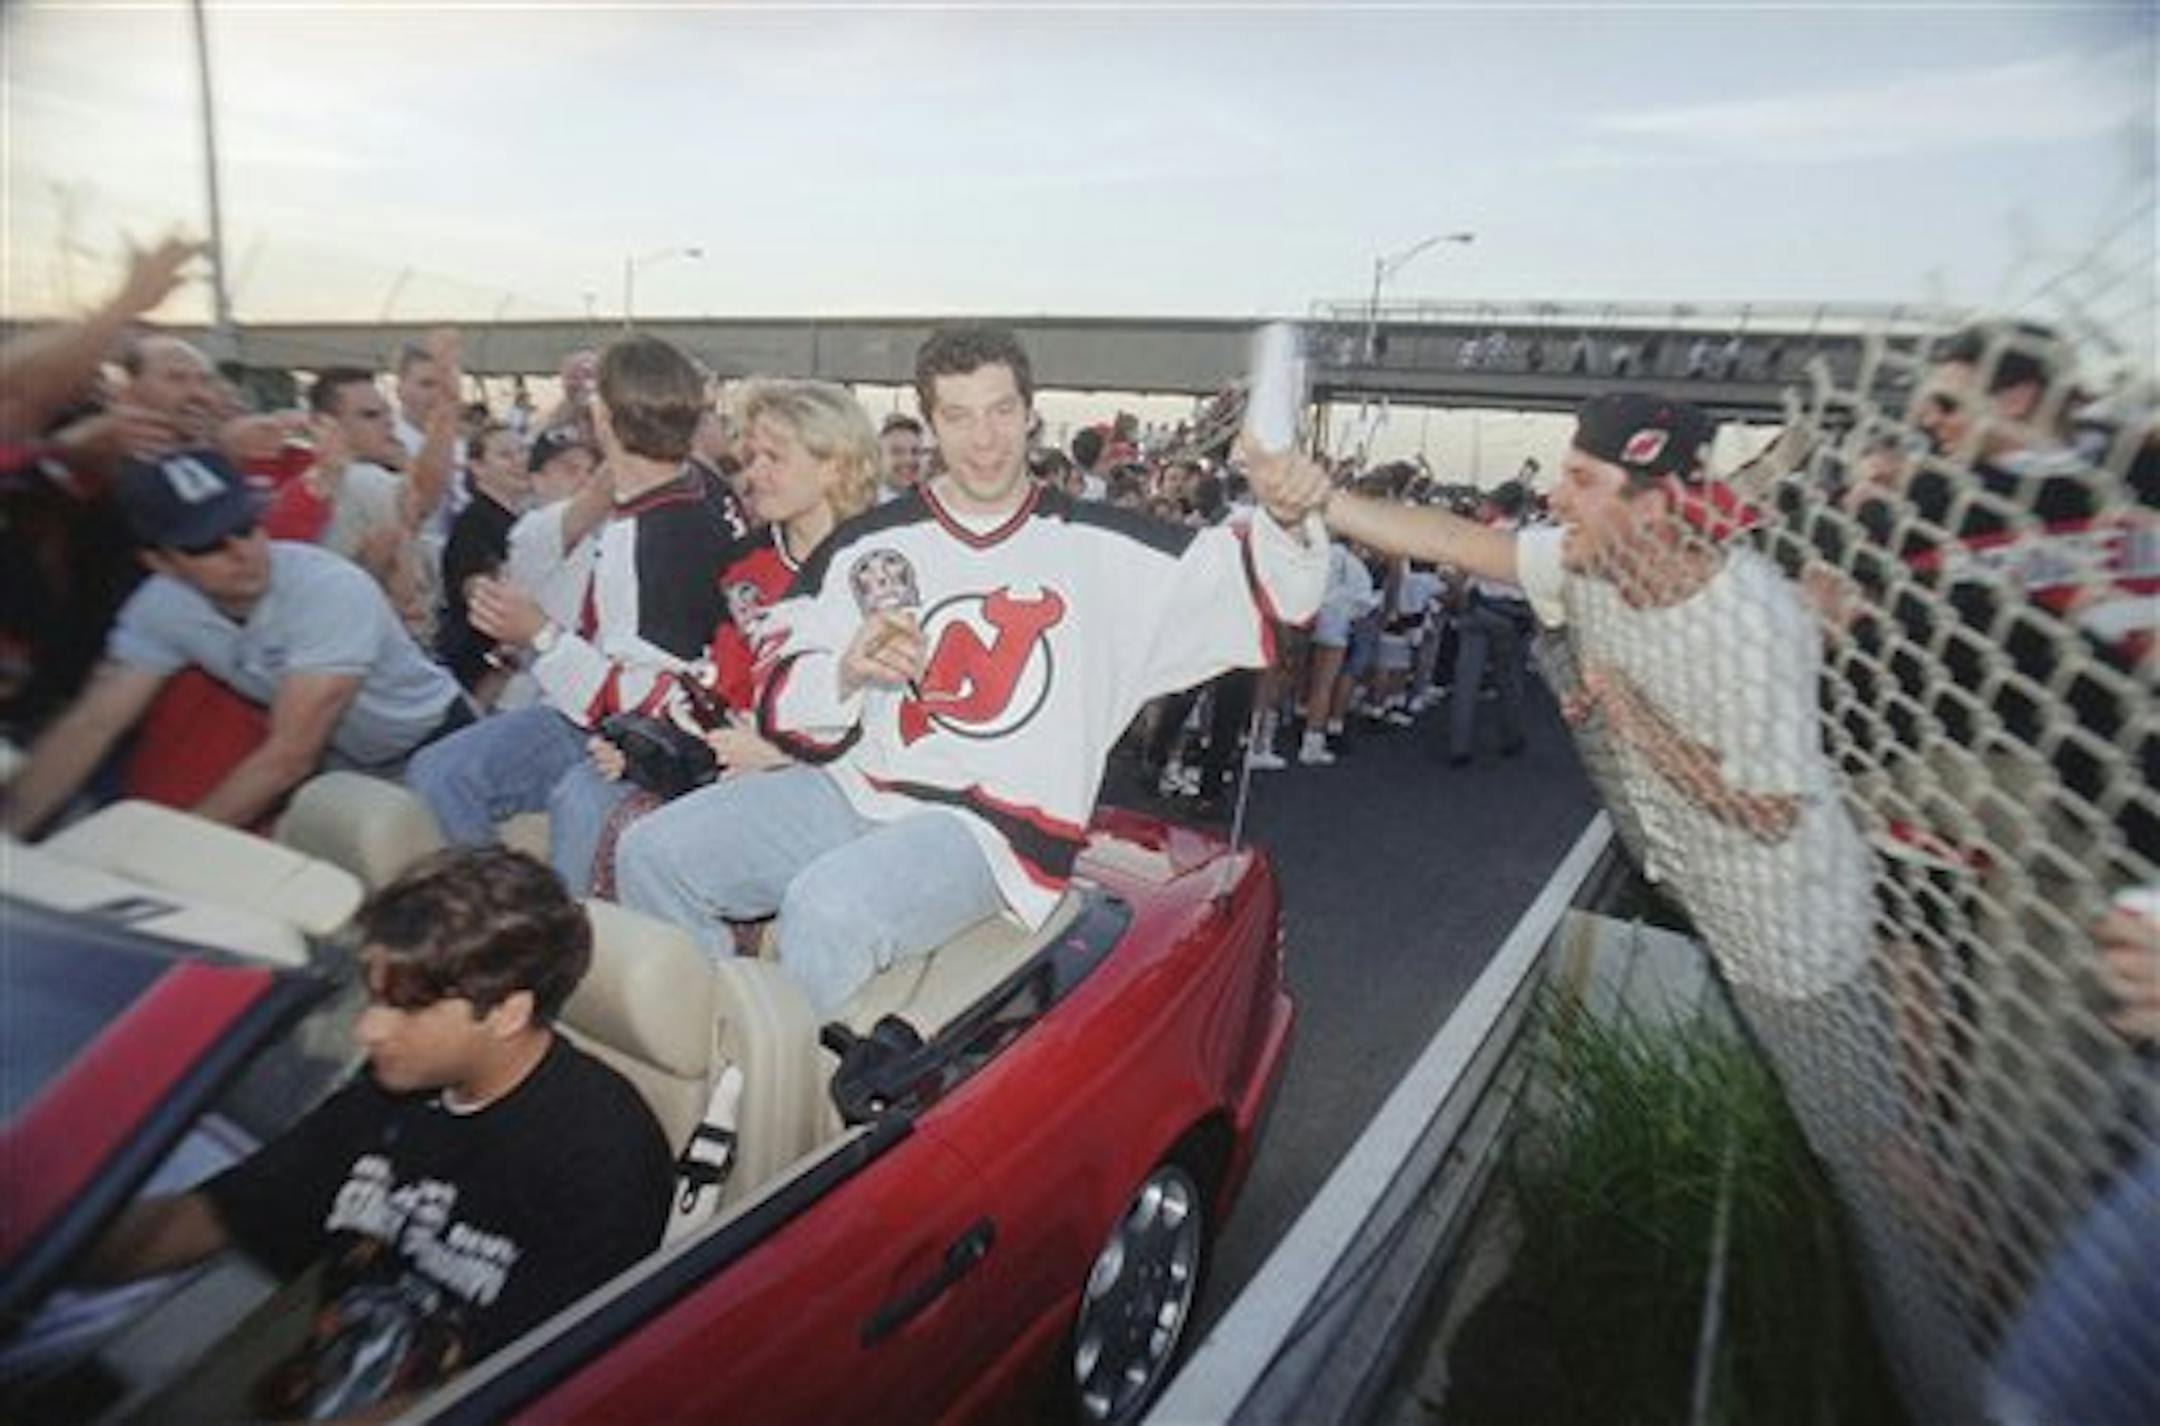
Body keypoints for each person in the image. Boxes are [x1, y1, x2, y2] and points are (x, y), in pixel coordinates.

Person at [616, 323, 1329, 1014]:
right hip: (857, 787)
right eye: (958, 416)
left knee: (826, 908)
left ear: (1030, 417)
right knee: (651, 853)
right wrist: (846, 672)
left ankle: (805, 1114)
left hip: (995, 828)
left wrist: (1289, 519)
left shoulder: (1103, 546)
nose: (983, 439)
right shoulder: (870, 542)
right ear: (930, 425)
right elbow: (784, 694)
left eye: (1001, 411)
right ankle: (722, 1048)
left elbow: (1268, 586)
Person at [77, 848, 674, 1420]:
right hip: (324, 1369)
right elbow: (225, 1211)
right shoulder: (395, 1088)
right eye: (374, 997)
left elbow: (521, 1385)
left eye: (405, 1008)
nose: (368, 1029)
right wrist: (53, 1252)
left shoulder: (603, 1155)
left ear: (505, 1013)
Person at [407, 336, 739, 895]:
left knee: (573, 804)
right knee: (441, 772)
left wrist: (536, 630)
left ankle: (552, 939)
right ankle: (502, 911)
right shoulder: (702, 486)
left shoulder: (646, 539)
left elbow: (638, 698)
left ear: (602, 417)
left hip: (650, 737)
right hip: (612, 711)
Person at [2, 448, 470, 838]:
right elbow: (93, 724)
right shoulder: (163, 607)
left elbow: (289, 755)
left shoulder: (327, 588)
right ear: (160, 561)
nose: (242, 552)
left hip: (435, 744)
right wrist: (11, 832)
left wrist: (170, 850)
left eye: (245, 526)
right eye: (207, 542)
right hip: (345, 762)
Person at [581, 378, 881, 895]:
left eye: (774, 458)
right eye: (751, 455)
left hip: (856, 782)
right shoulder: (742, 566)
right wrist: (650, 747)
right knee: (606, 813)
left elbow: (914, 721)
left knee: (646, 848)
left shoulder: (889, 562)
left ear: (834, 464)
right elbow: (725, 691)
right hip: (751, 765)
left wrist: (785, 755)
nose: (752, 474)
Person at [878, 413, 926, 500]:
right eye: (897, 452)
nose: (908, 459)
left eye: (915, 451)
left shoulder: (934, 503)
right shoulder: (866, 507)